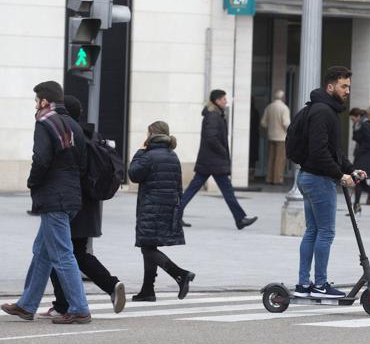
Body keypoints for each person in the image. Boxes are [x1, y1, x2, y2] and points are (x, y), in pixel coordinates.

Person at [1, 81, 91, 324]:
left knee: (62, 254)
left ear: (44, 101)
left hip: (54, 198)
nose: (35, 105)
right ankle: (26, 305)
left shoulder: (45, 123)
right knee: (42, 252)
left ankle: (80, 308)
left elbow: (40, 159)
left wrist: (32, 183)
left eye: (36, 100)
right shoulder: (73, 125)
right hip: (71, 198)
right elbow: (83, 166)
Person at [38, 95, 126, 318]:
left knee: (61, 252)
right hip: (90, 205)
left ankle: (64, 305)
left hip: (73, 203)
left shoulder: (71, 136)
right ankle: (109, 286)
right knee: (75, 252)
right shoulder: (92, 135)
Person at [294, 66, 367, 299]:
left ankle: (304, 284)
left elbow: (332, 151)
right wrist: (339, 175)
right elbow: (319, 152)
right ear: (330, 86)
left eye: (349, 86)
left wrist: (351, 169)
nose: (347, 91)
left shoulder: (321, 110)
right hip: (318, 179)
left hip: (308, 176)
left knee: (313, 231)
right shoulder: (323, 112)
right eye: (343, 86)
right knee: (325, 232)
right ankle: (320, 284)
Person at [129, 121, 195, 302]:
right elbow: (179, 186)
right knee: (150, 246)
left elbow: (133, 174)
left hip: (151, 207)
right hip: (168, 207)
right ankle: (147, 290)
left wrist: (139, 151)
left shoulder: (148, 156)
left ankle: (180, 274)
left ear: (151, 135)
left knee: (147, 247)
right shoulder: (172, 155)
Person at [180, 89, 257, 229]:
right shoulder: (213, 116)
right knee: (226, 191)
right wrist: (222, 152)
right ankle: (240, 219)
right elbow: (211, 138)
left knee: (195, 188)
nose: (226, 101)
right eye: (223, 99)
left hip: (210, 160)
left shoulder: (215, 114)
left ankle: (175, 215)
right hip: (213, 161)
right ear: (216, 101)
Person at [261, 89, 291, 185]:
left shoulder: (269, 107)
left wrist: (270, 128)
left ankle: (269, 178)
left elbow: (263, 122)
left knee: (271, 158)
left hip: (271, 136)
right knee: (280, 159)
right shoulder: (284, 108)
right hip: (281, 137)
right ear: (283, 97)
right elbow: (286, 123)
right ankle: (277, 179)